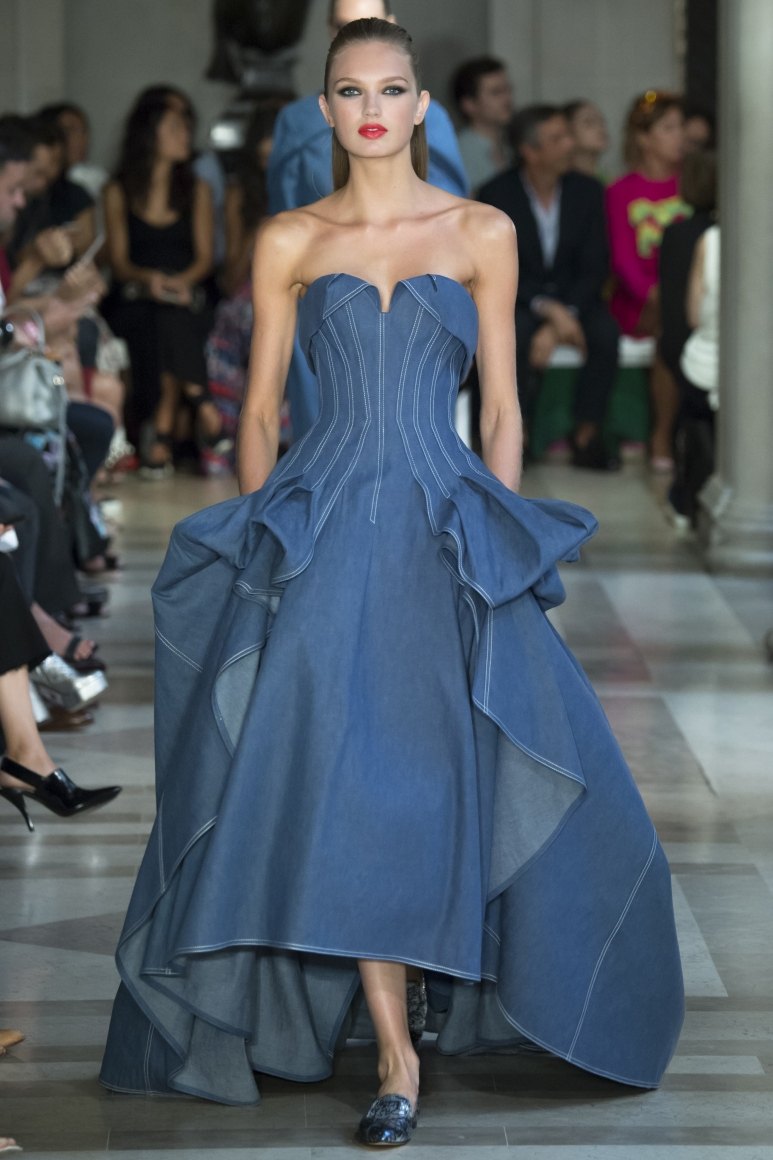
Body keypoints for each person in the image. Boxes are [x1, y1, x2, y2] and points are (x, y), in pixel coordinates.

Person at [100, 18, 684, 1147]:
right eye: (349, 90)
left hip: (443, 526)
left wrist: (499, 537)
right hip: (319, 530)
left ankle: (427, 992)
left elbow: (502, 406)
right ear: (322, 109)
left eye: (390, 89)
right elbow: (259, 410)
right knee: (346, 781)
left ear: (422, 107)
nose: (370, 109)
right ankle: (394, 1050)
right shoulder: (288, 237)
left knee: (437, 772)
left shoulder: (479, 231)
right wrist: (268, 532)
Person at [266, 0, 468, 442]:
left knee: (414, 428)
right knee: (321, 426)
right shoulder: (297, 121)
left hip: (416, 295)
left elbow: (454, 214)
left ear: (392, 23)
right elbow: (281, 209)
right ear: (328, 29)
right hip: (323, 296)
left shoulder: (432, 119)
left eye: (367, 19)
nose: (355, 30)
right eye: (343, 24)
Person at [479, 105, 620, 470]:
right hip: (520, 297)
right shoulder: (496, 194)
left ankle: (587, 433)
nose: (570, 144)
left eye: (568, 135)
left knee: (605, 334)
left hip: (577, 298)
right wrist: (548, 309)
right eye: (558, 138)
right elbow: (494, 266)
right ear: (530, 151)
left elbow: (596, 264)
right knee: (512, 335)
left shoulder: (588, 191)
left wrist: (564, 315)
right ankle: (517, 435)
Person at [102, 89, 223, 474]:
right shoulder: (117, 190)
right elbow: (120, 263)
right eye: (174, 127)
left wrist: (178, 283)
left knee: (171, 316)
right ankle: (200, 403)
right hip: (136, 295)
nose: (185, 134)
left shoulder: (197, 190)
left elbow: (204, 259)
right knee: (159, 318)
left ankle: (163, 426)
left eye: (187, 126)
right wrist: (150, 280)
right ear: (149, 133)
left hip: (186, 293)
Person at [605, 91, 689, 469]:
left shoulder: (692, 186)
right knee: (669, 324)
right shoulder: (621, 191)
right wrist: (655, 293)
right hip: (639, 301)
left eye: (681, 127)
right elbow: (623, 260)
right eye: (669, 128)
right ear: (644, 137)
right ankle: (663, 436)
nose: (680, 136)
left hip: (688, 294)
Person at [452, 56, 515, 193]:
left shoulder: (514, 145)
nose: (507, 99)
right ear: (469, 104)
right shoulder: (458, 153)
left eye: (508, 90)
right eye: (496, 92)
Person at [563, 99, 610, 180]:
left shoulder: (608, 179)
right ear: (568, 131)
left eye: (601, 121)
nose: (600, 128)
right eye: (588, 122)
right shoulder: (561, 182)